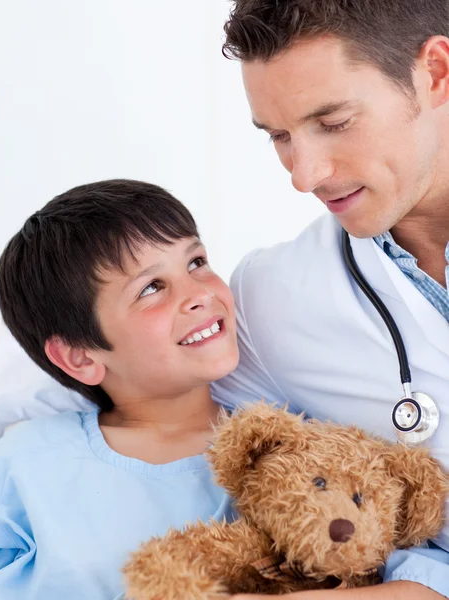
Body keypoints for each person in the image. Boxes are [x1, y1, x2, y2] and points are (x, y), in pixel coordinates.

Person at [211, 1, 449, 599]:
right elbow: (121, 389)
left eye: (335, 121)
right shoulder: (271, 298)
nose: (304, 174)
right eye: (280, 137)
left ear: (437, 72)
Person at [0, 179, 239, 599]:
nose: (199, 294)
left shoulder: (283, 454)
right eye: (151, 287)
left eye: (196, 262)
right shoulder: (28, 458)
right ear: (80, 357)